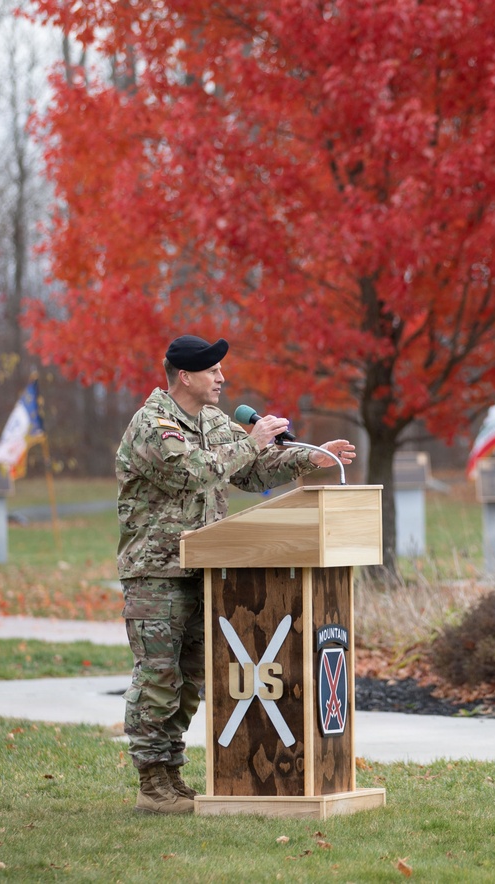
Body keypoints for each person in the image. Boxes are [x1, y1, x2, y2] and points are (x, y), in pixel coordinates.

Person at [115, 334, 356, 815]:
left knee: (190, 679)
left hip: (206, 567)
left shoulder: (211, 421)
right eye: (213, 372)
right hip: (157, 572)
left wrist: (308, 456)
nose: (222, 379)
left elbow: (251, 470)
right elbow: (192, 472)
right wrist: (250, 443)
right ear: (186, 376)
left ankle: (172, 775)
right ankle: (150, 781)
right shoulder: (153, 424)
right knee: (158, 677)